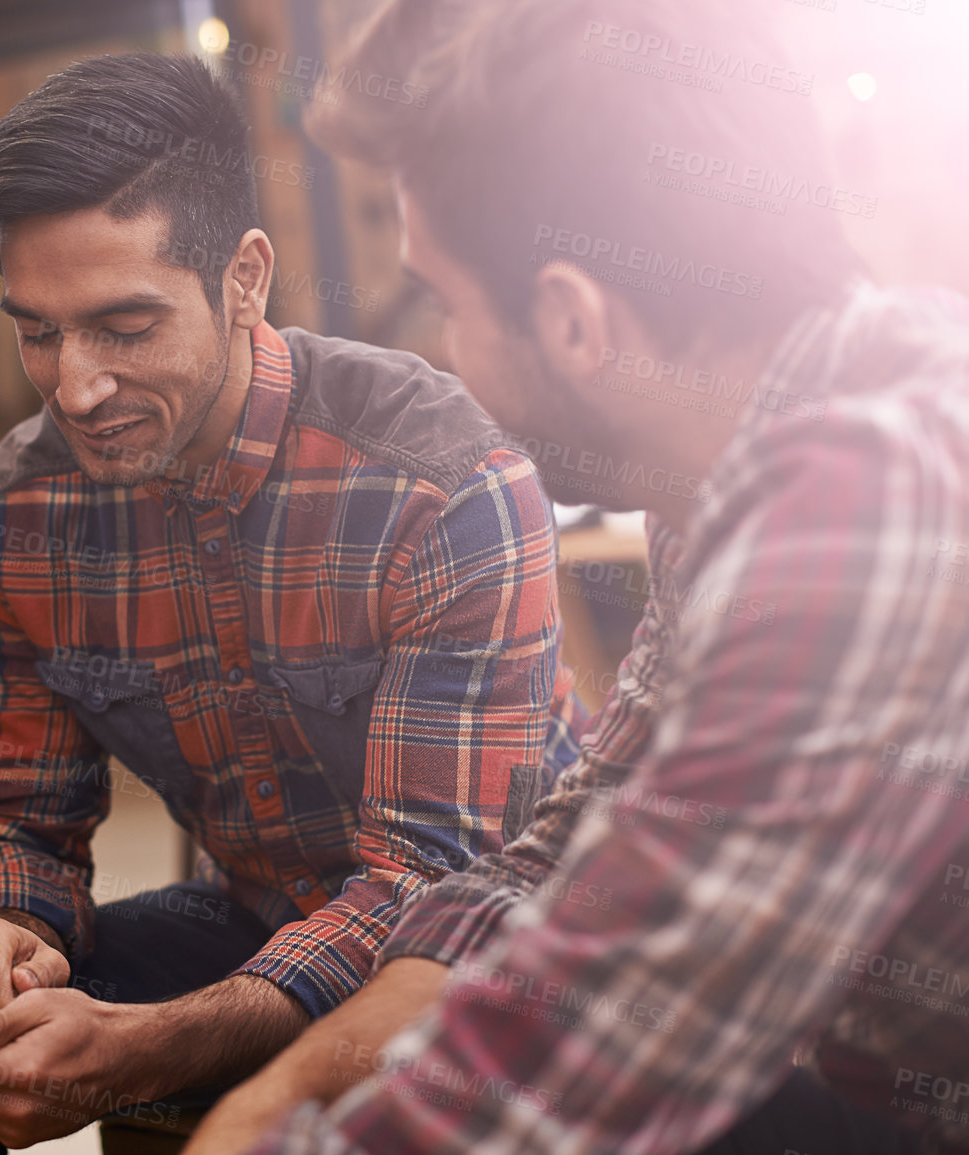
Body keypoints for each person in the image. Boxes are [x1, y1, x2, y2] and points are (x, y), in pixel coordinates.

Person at [181, 2, 969, 1153]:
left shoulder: (873, 488)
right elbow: (575, 851)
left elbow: (616, 1025)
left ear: (572, 318)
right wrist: (281, 1094)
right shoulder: (740, 471)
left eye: (446, 302)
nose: (444, 350)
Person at [0, 52, 585, 1152]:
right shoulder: (27, 504)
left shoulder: (438, 485)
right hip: (261, 921)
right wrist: (3, 925)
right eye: (37, 330)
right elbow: (21, 814)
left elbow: (431, 886)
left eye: (124, 328)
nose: (74, 387)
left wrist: (149, 1046)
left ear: (244, 278)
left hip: (490, 957)